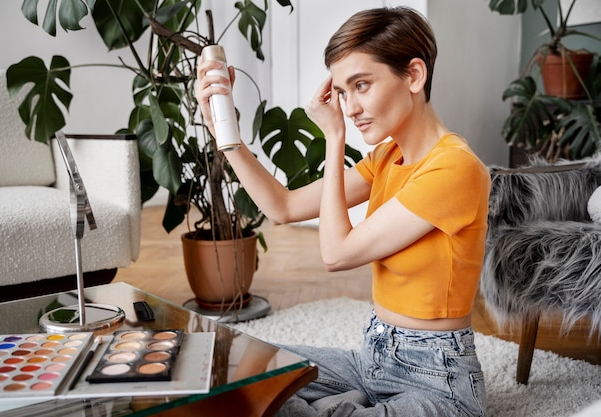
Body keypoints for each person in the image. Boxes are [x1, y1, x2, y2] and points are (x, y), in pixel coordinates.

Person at [196, 6, 489, 416]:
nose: (349, 109)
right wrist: (225, 137)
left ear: (415, 76)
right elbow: (283, 207)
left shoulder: (456, 168)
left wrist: (334, 139)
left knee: (267, 407)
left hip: (437, 381)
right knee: (235, 365)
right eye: (343, 92)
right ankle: (351, 402)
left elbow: (337, 254)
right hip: (373, 358)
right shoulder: (387, 157)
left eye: (362, 85)